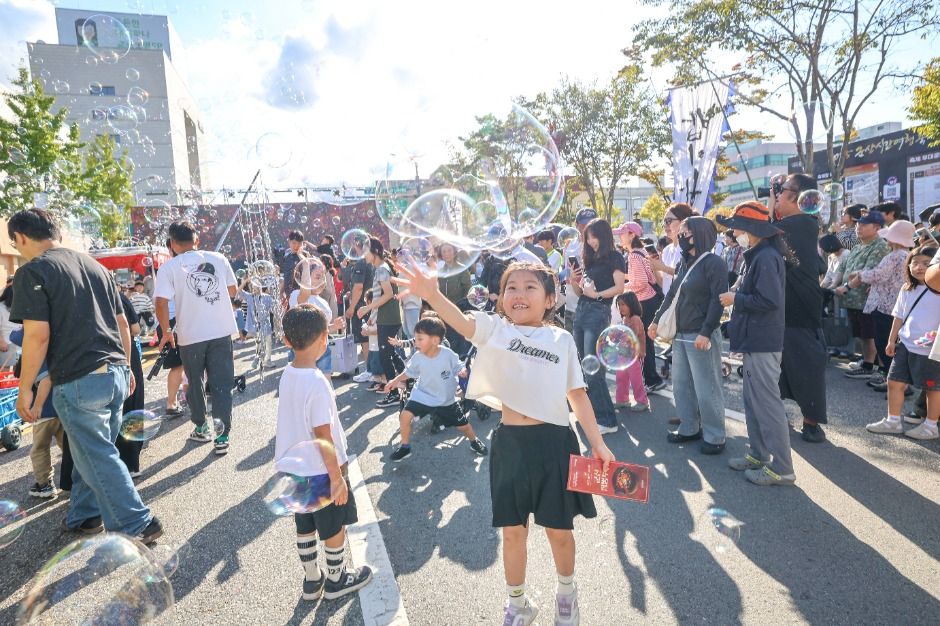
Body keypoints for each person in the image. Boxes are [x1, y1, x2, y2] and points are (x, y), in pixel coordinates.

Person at [392, 259, 614, 626]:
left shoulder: (561, 339)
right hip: (510, 444)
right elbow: (463, 323)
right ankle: (517, 604)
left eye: (530, 287)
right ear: (500, 296)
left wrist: (598, 444)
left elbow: (577, 394)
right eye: (512, 287)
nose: (519, 294)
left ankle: (566, 596)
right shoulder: (495, 330)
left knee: (559, 531)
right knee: (513, 532)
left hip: (556, 443)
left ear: (550, 299)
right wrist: (432, 294)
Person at [8, 208, 160, 541]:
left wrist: (25, 389)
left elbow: (37, 336)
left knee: (96, 454)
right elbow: (122, 324)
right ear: (57, 232)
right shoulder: (96, 267)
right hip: (115, 373)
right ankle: (85, 515)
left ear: (19, 237)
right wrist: (125, 367)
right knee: (88, 450)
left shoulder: (33, 271)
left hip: (79, 378)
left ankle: (138, 522)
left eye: (15, 244)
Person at [276, 304, 374, 601]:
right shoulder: (317, 382)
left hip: (294, 468)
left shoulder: (288, 373)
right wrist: (336, 477)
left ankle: (311, 580)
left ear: (286, 341)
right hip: (321, 471)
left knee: (304, 524)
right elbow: (323, 434)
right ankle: (336, 579)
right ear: (323, 340)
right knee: (333, 527)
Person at [718, 202, 795, 486]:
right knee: (753, 402)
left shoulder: (765, 257)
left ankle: (783, 468)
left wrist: (735, 298)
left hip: (763, 340)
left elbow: (769, 300)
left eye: (737, 228)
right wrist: (736, 294)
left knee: (767, 404)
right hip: (755, 339)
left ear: (751, 229)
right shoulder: (758, 255)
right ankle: (759, 454)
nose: (734, 233)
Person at [155, 221, 238, 455]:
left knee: (194, 382)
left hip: (190, 335)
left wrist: (167, 332)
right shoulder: (218, 259)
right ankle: (222, 436)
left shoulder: (168, 268)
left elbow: (160, 302)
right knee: (222, 384)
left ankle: (201, 427)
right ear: (197, 240)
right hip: (221, 331)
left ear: (172, 243)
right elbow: (232, 291)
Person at [650, 216, 728, 454]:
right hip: (681, 334)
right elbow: (671, 294)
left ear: (699, 235)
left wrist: (706, 331)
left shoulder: (714, 263)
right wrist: (655, 320)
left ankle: (715, 436)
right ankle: (689, 427)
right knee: (681, 386)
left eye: (685, 233)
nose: (680, 236)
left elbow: (718, 301)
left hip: (701, 335)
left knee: (707, 388)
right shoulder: (684, 262)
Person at [769, 173, 830, 442]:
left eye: (781, 190)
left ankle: (811, 422)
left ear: (798, 197)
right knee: (778, 366)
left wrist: (770, 205)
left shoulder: (803, 223)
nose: (777, 194)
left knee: (806, 366)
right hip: (783, 305)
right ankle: (779, 413)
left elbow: (769, 232)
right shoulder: (795, 224)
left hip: (801, 308)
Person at [385, 316, 488, 461]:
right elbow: (408, 372)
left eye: (420, 339)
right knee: (405, 416)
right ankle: (405, 447)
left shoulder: (447, 354)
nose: (416, 342)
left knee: (464, 426)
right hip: (422, 395)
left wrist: (462, 370)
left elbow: (458, 365)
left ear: (435, 341)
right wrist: (395, 381)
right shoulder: (418, 357)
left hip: (445, 400)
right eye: (415, 339)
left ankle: (474, 441)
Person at [866, 245, 940, 441]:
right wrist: (892, 340)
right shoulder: (907, 288)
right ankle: (893, 421)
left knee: (933, 388)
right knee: (894, 382)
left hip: (930, 349)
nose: (919, 267)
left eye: (926, 263)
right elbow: (898, 316)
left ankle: (931, 426)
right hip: (906, 344)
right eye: (914, 263)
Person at [567, 218, 625, 435]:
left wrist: (597, 295)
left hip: (598, 313)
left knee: (593, 369)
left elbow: (619, 287)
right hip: (582, 311)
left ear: (604, 235)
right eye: (588, 237)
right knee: (583, 366)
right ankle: (592, 414)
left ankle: (607, 420)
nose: (591, 241)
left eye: (594, 236)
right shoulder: (590, 259)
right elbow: (581, 293)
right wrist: (574, 280)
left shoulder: (615, 257)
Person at [847, 220, 914, 390]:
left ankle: (897, 382)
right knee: (890, 342)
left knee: (884, 342)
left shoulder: (895, 256)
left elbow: (879, 275)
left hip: (884, 305)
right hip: (894, 304)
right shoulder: (905, 255)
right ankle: (896, 380)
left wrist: (859, 274)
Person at [835, 211, 890, 381]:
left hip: (867, 301)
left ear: (877, 228)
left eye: (864, 225)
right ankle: (867, 364)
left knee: (871, 335)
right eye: (858, 224)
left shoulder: (880, 246)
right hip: (853, 300)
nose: (859, 227)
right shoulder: (858, 246)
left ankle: (873, 367)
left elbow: (868, 273)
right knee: (862, 334)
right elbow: (845, 268)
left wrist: (846, 287)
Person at [614, 221, 665, 392]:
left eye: (622, 233)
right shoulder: (640, 252)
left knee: (644, 342)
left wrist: (622, 287)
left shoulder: (634, 256)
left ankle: (652, 380)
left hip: (645, 302)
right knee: (646, 341)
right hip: (652, 300)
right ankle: (651, 379)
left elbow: (641, 282)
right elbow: (643, 277)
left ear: (632, 235)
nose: (620, 237)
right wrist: (624, 278)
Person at [11, 328, 62, 499]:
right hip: (62, 409)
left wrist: (37, 406)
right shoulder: (54, 348)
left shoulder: (37, 356)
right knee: (69, 446)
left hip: (44, 412)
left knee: (40, 449)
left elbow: (46, 380)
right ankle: (76, 477)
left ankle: (44, 484)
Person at [357, 237, 404, 408]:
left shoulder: (382, 269)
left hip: (388, 319)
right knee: (391, 354)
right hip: (387, 317)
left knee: (386, 356)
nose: (363, 255)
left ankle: (394, 393)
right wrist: (373, 314)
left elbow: (388, 294)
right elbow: (380, 296)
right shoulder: (381, 268)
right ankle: (409, 382)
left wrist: (367, 308)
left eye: (365, 252)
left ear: (375, 251)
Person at [115, 291, 146, 479]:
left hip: (97, 357)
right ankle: (131, 462)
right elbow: (134, 328)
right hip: (126, 355)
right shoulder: (119, 297)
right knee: (131, 406)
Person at [649, 203, 696, 294]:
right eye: (664, 221)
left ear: (683, 222)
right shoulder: (666, 250)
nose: (665, 225)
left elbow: (689, 276)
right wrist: (655, 267)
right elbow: (663, 284)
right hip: (668, 300)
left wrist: (663, 268)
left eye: (668, 221)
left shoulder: (691, 249)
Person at [562, 208, 598, 331]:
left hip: (591, 307)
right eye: (583, 225)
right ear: (576, 225)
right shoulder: (569, 245)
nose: (587, 228)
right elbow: (566, 271)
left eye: (591, 224)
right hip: (571, 305)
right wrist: (557, 276)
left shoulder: (599, 246)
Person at [613, 292, 649, 412]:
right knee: (620, 377)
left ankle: (642, 401)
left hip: (634, 355)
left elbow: (631, 336)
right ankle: (622, 399)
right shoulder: (625, 319)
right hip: (624, 354)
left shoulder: (635, 319)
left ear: (632, 304)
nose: (621, 307)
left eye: (623, 304)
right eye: (619, 305)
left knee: (636, 379)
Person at [437, 242, 473, 357]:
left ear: (454, 252)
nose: (446, 254)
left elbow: (468, 291)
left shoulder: (462, 269)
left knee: (460, 344)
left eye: (449, 250)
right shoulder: (440, 272)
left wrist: (459, 306)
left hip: (459, 312)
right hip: (445, 313)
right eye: (444, 251)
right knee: (448, 344)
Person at [344, 237, 374, 364]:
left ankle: (370, 369)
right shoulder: (371, 261)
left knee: (365, 339)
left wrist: (351, 308)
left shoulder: (361, 262)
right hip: (370, 304)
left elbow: (359, 287)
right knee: (371, 339)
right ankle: (373, 369)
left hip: (361, 307)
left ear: (357, 244)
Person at [0, 284, 22, 370]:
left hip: (19, 342)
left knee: (18, 370)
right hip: (6, 343)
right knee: (6, 369)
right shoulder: (1, 307)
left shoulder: (19, 307)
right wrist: (1, 341)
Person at [279, 230, 305, 298]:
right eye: (294, 243)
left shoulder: (304, 256)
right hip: (288, 294)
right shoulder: (286, 256)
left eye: (299, 243)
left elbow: (307, 268)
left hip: (300, 294)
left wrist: (300, 255)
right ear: (289, 242)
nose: (296, 246)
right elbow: (286, 275)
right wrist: (281, 292)